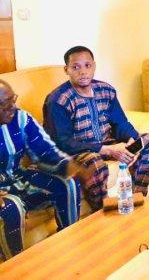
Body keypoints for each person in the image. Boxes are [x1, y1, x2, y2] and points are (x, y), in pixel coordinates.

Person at [43, 46, 149, 211]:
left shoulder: (106, 90)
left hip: (108, 143)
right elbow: (63, 143)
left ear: (94, 66)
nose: (83, 72)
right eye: (75, 67)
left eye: (87, 65)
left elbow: (120, 122)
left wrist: (131, 140)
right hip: (79, 152)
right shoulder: (58, 100)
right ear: (66, 70)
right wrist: (108, 150)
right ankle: (102, 212)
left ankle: (136, 198)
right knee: (95, 164)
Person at [0, 79, 81, 260]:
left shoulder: (21, 118)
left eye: (13, 100)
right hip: (3, 194)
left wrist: (68, 165)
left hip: (18, 178)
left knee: (67, 183)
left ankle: (70, 243)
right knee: (11, 208)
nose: (13, 108)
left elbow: (44, 151)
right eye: (5, 105)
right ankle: (15, 266)